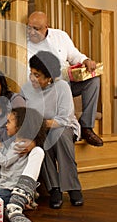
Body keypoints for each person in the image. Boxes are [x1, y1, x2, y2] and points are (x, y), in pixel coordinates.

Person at [26, 11, 103, 147]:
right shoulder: (25, 44)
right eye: (29, 27)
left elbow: (74, 55)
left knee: (93, 80)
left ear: (46, 27)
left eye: (36, 29)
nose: (31, 32)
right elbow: (30, 74)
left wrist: (85, 60)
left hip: (69, 82)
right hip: (48, 89)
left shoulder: (60, 36)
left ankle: (86, 127)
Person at [21, 51, 84, 209]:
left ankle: (72, 186)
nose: (33, 78)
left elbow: (63, 119)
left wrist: (37, 123)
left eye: (38, 75)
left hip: (63, 128)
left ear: (49, 77)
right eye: (32, 73)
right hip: (41, 130)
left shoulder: (62, 87)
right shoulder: (27, 89)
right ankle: (54, 188)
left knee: (58, 134)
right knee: (41, 139)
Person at [0, 107, 46, 222]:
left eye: (9, 122)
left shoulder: (21, 144)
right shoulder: (16, 142)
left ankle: (14, 205)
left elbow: (5, 161)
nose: (5, 125)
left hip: (10, 189)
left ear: (20, 127)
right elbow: (9, 155)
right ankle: (0, 198)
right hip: (4, 186)